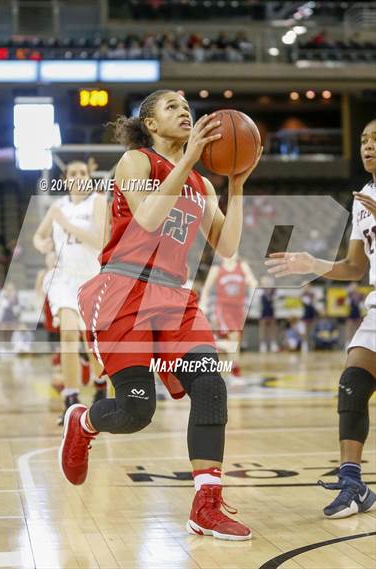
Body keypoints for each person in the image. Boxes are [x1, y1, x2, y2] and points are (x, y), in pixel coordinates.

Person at [59, 90, 262, 540]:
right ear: (149, 124)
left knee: (210, 384)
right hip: (123, 290)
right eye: (171, 106)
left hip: (174, 298)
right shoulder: (137, 162)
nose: (184, 109)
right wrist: (189, 160)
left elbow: (226, 247)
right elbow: (148, 219)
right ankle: (85, 421)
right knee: (136, 410)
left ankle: (206, 504)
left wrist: (236, 184)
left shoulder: (203, 185)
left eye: (187, 105)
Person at [266, 118, 376, 518]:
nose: (368, 146)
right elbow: (353, 267)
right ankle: (353, 483)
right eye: (364, 139)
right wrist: (312, 263)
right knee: (352, 382)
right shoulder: (363, 196)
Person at [33, 160, 109, 425]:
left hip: (91, 278)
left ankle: (100, 387)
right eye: (73, 173)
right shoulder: (57, 206)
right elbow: (38, 237)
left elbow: (98, 240)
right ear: (65, 179)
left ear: (89, 177)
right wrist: (46, 247)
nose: (78, 176)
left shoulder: (97, 202)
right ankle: (71, 399)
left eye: (83, 172)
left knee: (91, 342)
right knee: (67, 334)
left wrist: (65, 225)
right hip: (64, 278)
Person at [199, 253, 257, 377]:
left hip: (239, 308)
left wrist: (251, 282)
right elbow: (206, 288)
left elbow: (252, 280)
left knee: (235, 339)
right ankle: (235, 368)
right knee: (234, 336)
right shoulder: (217, 268)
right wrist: (203, 304)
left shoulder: (242, 265)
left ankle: (230, 361)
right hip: (223, 307)